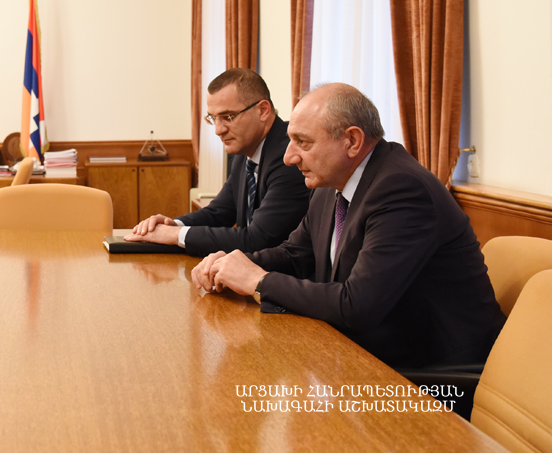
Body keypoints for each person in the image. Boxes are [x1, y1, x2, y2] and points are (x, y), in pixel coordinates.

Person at [192, 83, 505, 368]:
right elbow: (295, 254)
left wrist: (258, 281)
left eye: (303, 142)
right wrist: (231, 264)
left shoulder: (402, 190)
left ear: (352, 141)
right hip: (364, 353)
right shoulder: (331, 183)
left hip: (429, 374)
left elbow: (358, 305)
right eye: (290, 141)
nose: (289, 157)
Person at [125, 68, 310, 256]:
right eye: (213, 118)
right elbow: (219, 212)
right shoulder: (245, 150)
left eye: (228, 117)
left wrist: (176, 235)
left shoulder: (289, 156)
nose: (218, 130)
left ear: (263, 110)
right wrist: (173, 224)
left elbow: (257, 239)